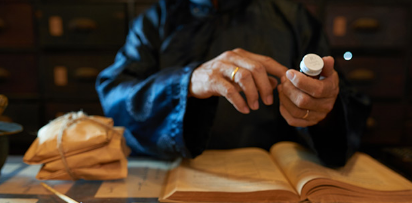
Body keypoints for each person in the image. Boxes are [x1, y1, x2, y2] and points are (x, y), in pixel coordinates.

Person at [96, 0, 371, 167]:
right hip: (175, 174)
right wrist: (187, 82)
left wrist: (322, 107)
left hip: (276, 180)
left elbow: (340, 102)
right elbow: (115, 97)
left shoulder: (293, 18)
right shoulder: (154, 21)